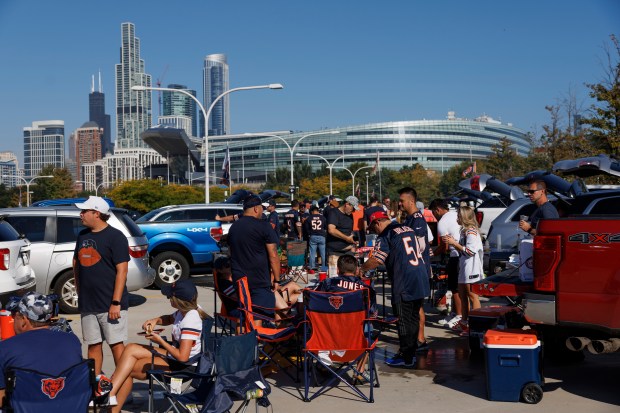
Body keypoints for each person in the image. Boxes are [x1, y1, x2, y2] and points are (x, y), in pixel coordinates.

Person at [106, 280, 208, 410]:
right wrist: (155, 321)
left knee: (127, 370)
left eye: (170, 296)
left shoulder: (190, 320)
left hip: (183, 366)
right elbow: (169, 319)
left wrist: (160, 341)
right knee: (130, 349)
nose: (168, 298)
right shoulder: (186, 310)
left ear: (177, 300)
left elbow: (183, 357)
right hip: (174, 356)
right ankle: (110, 394)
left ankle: (110, 399)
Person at [361, 211, 430, 368]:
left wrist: (361, 269)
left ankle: (406, 357)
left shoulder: (386, 233)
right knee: (413, 317)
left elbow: (377, 259)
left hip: (404, 279)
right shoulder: (407, 228)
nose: (374, 231)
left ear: (377, 222)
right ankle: (410, 352)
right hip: (420, 274)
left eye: (373, 227)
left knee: (404, 320)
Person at [73, 196, 130, 376]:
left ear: (96, 213)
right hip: (88, 304)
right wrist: (79, 290)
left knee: (116, 346)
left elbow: (122, 271)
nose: (80, 214)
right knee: (93, 345)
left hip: (110, 304)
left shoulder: (116, 237)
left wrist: (116, 302)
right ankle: (96, 386)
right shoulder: (82, 235)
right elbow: (76, 262)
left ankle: (121, 388)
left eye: (84, 211)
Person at [0, 292, 83, 408]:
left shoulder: (5, 348)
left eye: (15, 316)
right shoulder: (72, 341)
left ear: (24, 319)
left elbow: (1, 398)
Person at [228, 195, 281, 323]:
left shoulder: (233, 228)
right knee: (258, 316)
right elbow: (273, 255)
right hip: (259, 281)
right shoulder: (264, 226)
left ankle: (241, 342)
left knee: (244, 316)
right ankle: (255, 342)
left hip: (240, 280)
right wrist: (277, 279)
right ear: (256, 209)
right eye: (261, 208)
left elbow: (231, 253)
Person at [442, 206, 483, 335]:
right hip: (464, 267)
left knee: (472, 296)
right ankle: (464, 322)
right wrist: (453, 244)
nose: (457, 218)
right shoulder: (463, 231)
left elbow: (470, 251)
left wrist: (454, 243)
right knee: (462, 295)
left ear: (465, 217)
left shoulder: (472, 232)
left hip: (472, 268)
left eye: (459, 216)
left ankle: (476, 325)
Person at [398, 187, 431, 352]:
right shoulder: (410, 218)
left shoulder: (417, 220)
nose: (400, 204)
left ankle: (420, 339)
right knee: (416, 307)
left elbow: (420, 246)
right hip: (413, 269)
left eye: (402, 201)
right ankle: (419, 339)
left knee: (416, 307)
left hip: (417, 270)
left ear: (411, 201)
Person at [429, 198, 463, 328]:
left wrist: (431, 254)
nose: (434, 215)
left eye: (433, 212)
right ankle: (454, 313)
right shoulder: (455, 213)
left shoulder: (442, 222)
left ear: (437, 209)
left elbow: (444, 246)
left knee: (455, 288)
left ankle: (459, 316)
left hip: (457, 255)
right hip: (462, 254)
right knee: (454, 287)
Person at [326, 195, 359, 277]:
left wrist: (353, 240)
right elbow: (331, 229)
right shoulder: (333, 212)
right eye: (353, 208)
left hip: (348, 251)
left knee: (351, 276)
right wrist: (347, 238)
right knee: (334, 277)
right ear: (347, 204)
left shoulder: (350, 215)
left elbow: (348, 231)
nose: (354, 211)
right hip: (335, 250)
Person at [304, 205, 327, 272]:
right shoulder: (323, 218)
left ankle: (312, 267)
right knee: (323, 253)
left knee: (312, 253)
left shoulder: (309, 218)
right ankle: (324, 267)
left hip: (313, 236)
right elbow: (325, 227)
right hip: (322, 236)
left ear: (312, 211)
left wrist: (310, 233)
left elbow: (306, 228)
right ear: (317, 211)